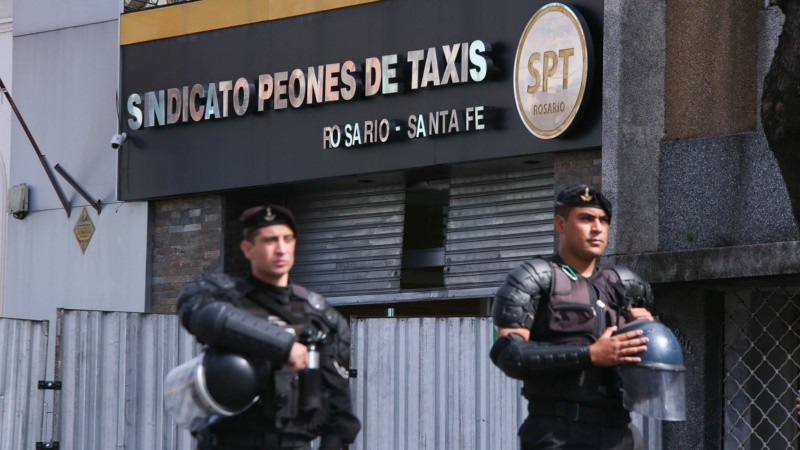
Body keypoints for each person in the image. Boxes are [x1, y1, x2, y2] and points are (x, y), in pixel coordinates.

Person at [176, 204, 361, 450]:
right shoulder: (224, 298)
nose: (281, 249)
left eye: (288, 239)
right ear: (248, 249)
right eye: (270, 240)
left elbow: (341, 417)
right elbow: (204, 317)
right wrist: (284, 346)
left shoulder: (319, 316)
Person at [490, 184, 655, 450]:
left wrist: (650, 334)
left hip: (620, 433)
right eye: (586, 218)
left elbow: (653, 381)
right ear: (560, 223)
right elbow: (509, 355)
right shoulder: (535, 278)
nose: (597, 228)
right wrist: (589, 355)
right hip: (557, 433)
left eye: (603, 220)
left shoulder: (626, 287)